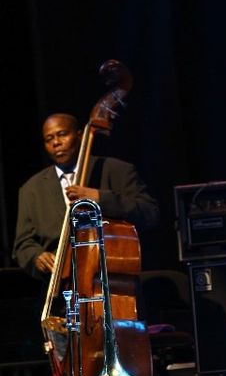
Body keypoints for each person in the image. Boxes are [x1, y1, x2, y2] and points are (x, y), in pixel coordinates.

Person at [12, 113, 159, 282]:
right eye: (49, 139)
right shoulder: (31, 189)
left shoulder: (116, 170)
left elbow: (150, 214)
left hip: (114, 284)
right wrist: (36, 256)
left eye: (62, 134)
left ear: (80, 135)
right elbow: (23, 244)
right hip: (62, 291)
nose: (56, 143)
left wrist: (100, 198)